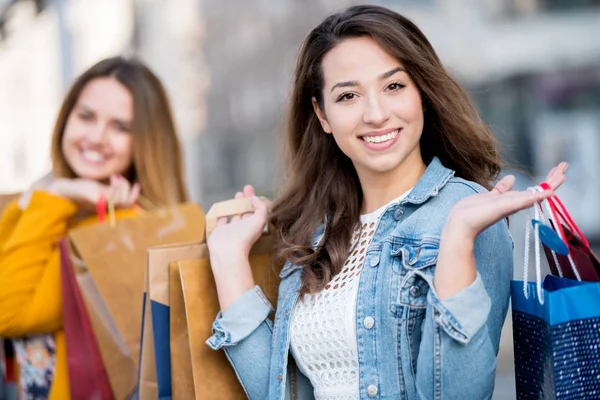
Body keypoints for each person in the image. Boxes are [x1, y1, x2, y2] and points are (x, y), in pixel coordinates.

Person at [205, 5, 567, 400]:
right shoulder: (315, 230)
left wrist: (458, 240)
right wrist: (228, 261)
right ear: (322, 115)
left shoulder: (466, 214)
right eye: (348, 95)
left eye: (394, 86)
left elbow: (459, 394)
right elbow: (278, 393)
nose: (376, 114)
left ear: (421, 93)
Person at [0, 56, 188, 399]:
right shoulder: (57, 209)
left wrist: (53, 195)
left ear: (145, 142)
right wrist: (53, 195)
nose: (97, 136)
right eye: (86, 116)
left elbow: (6, 310)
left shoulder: (127, 233)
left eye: (120, 126)